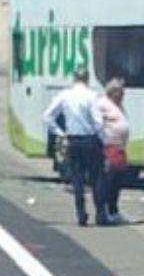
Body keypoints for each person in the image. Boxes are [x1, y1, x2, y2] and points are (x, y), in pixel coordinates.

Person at [43, 69, 109, 226]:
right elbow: (98, 123)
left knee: (77, 179)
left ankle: (81, 213)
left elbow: (47, 116)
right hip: (90, 140)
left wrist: (60, 133)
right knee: (97, 178)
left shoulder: (65, 95)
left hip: (73, 140)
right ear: (87, 79)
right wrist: (105, 141)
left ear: (74, 79)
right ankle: (100, 213)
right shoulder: (91, 96)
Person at [98, 77, 130, 224]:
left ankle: (114, 210)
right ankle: (105, 210)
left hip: (120, 147)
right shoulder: (102, 104)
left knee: (118, 181)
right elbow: (97, 123)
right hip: (109, 147)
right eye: (120, 92)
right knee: (109, 181)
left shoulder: (119, 106)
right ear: (112, 92)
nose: (123, 95)